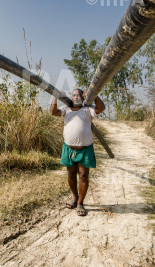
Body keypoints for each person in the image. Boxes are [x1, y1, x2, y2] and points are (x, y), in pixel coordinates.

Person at [50, 88, 105, 216]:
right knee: (70, 175)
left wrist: (94, 95)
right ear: (71, 97)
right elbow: (53, 112)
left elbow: (101, 108)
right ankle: (74, 198)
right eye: (73, 95)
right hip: (68, 148)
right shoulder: (66, 109)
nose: (76, 97)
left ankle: (80, 203)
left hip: (85, 148)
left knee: (83, 175)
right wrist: (55, 97)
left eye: (79, 95)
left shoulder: (88, 109)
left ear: (83, 97)